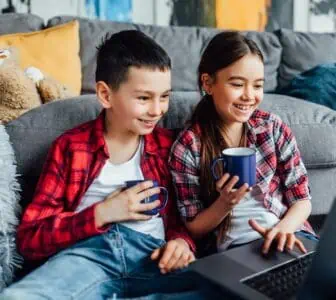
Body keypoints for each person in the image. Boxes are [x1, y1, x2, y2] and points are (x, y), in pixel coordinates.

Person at [169, 31, 336, 299]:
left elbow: (302, 201)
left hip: (287, 233)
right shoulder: (188, 146)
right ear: (208, 83)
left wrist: (283, 229)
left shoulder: (272, 128)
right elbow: (194, 226)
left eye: (257, 85)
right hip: (233, 251)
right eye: (237, 84)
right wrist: (225, 203)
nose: (249, 95)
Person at [0, 30, 205, 300]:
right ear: (105, 95)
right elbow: (30, 239)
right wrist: (103, 213)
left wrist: (182, 242)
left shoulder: (171, 147)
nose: (157, 110)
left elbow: (186, 218)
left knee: (229, 289)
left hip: (154, 257)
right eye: (143, 98)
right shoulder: (71, 147)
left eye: (164, 96)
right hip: (88, 257)